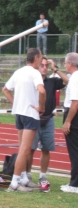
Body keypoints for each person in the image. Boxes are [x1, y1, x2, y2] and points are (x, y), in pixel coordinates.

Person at [2, 48, 46, 192]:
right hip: (30, 114)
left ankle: (24, 179)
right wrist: (41, 107)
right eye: (40, 58)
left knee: (23, 149)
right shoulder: (35, 73)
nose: (41, 61)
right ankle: (15, 183)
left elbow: (5, 89)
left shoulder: (18, 72)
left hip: (19, 114)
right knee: (24, 150)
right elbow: (42, 90)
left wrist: (15, 103)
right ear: (37, 58)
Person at [26, 57, 68, 192]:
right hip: (35, 119)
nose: (44, 67)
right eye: (42, 65)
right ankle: (27, 175)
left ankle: (42, 177)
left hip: (48, 119)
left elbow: (68, 81)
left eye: (46, 65)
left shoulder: (52, 81)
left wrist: (55, 69)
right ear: (37, 67)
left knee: (46, 149)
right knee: (30, 150)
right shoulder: (32, 81)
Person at [61, 53, 78, 193]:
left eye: (66, 63)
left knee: (74, 151)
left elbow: (75, 102)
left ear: (70, 64)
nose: (65, 65)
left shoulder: (75, 78)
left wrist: (68, 121)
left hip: (74, 116)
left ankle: (75, 184)